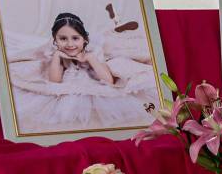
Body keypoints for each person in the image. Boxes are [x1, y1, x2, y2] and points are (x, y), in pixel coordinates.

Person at [9, 11, 156, 131]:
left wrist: (91, 58)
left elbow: (109, 80)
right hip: (70, 83)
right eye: (63, 39)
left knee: (110, 103)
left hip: (92, 81)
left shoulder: (93, 50)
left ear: (84, 39)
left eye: (75, 38)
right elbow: (54, 82)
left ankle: (117, 29)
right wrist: (57, 57)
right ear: (55, 40)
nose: (70, 44)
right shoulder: (55, 51)